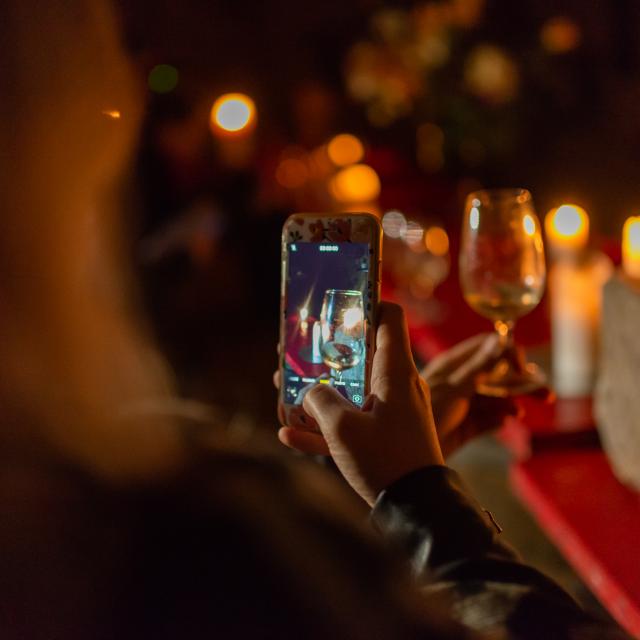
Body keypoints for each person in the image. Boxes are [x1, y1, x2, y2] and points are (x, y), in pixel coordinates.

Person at [0, 1, 628, 638]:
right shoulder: (171, 546)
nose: (135, 93)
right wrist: (420, 496)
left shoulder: (68, 486)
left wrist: (361, 470)